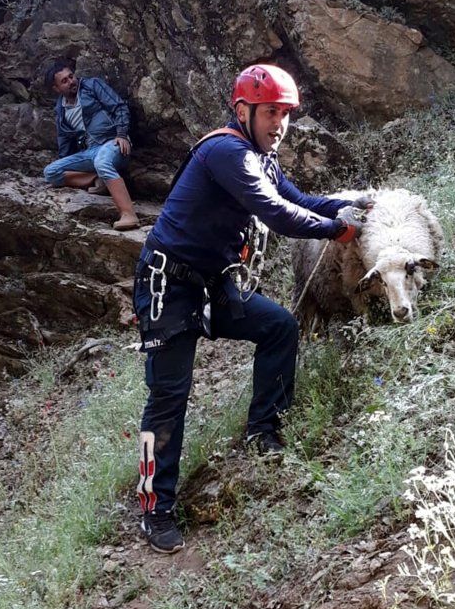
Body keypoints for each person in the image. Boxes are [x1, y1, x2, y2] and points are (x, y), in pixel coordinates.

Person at [133, 63, 372, 554]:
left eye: (285, 114)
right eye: (270, 113)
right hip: (168, 288)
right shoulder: (228, 152)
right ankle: (153, 508)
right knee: (168, 397)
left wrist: (350, 204)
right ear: (242, 111)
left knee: (279, 326)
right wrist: (336, 229)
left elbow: (299, 198)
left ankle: (263, 431)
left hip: (211, 284)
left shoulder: (263, 158)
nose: (279, 124)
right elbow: (275, 212)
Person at [42, 58, 140, 231]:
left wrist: (122, 134)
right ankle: (97, 179)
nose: (71, 81)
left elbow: (119, 107)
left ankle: (128, 214)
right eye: (64, 81)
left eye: (71, 76)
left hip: (114, 143)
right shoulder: (60, 110)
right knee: (51, 172)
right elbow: (65, 140)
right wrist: (69, 162)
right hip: (90, 151)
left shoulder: (92, 85)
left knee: (102, 162)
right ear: (56, 89)